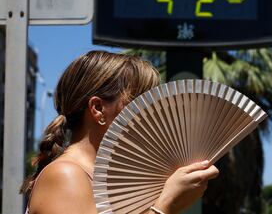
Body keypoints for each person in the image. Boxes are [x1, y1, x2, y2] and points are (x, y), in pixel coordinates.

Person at [21, 50, 219, 214]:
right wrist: (166, 205)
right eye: (140, 104)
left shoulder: (108, 181)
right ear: (98, 109)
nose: (153, 115)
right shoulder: (66, 175)